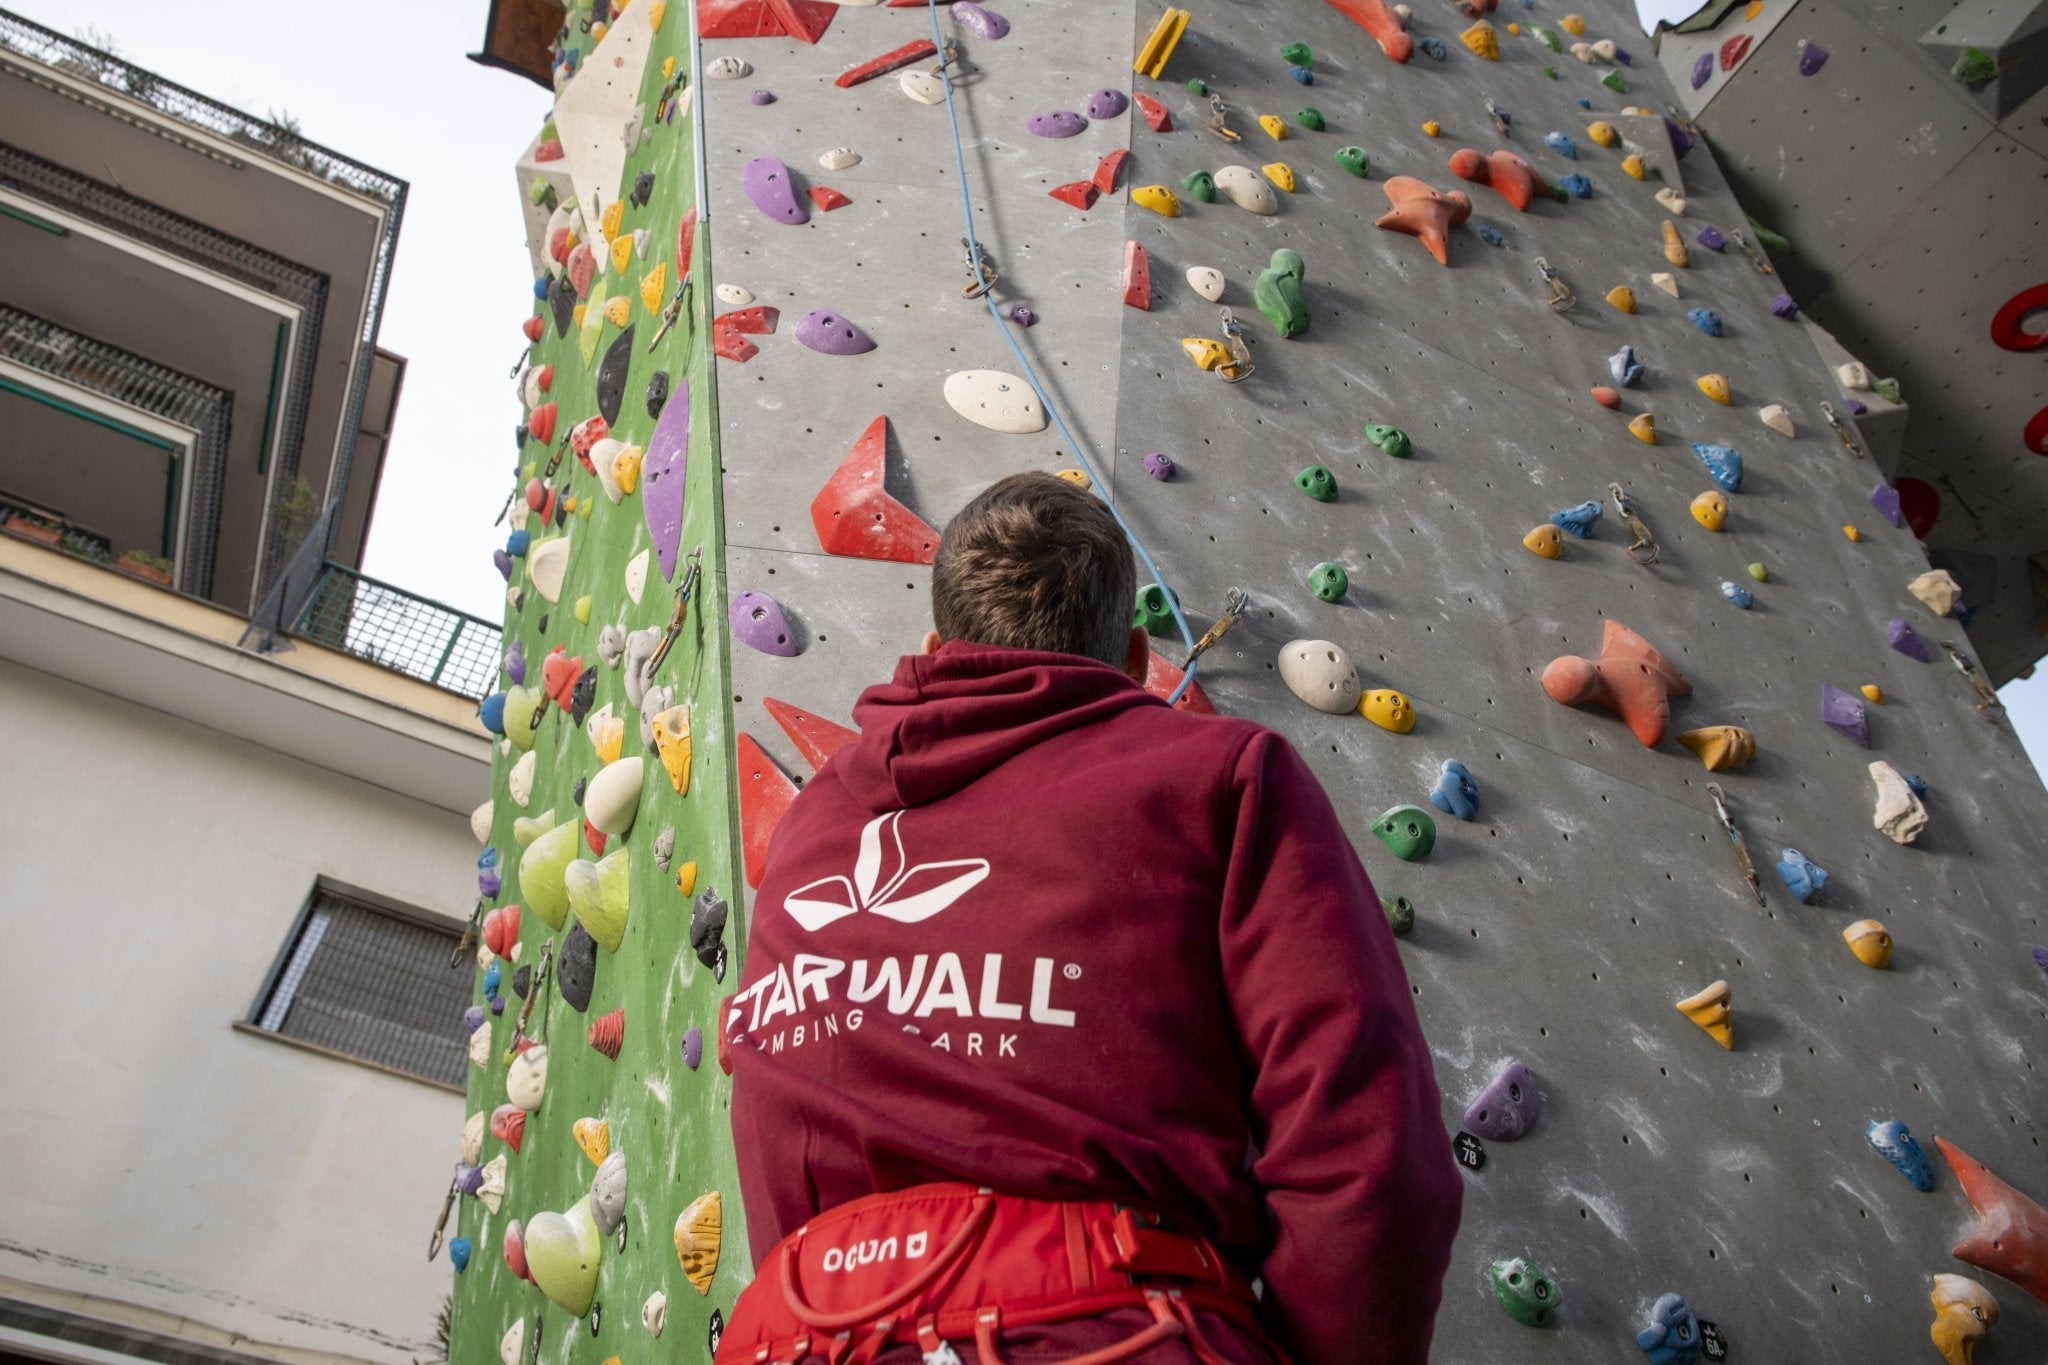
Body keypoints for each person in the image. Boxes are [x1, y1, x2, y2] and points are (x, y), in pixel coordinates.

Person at [720, 472, 1461, 1365]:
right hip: (1112, 1326)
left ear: (932, 646)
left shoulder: (815, 824)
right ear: (1135, 657)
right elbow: (1370, 1158)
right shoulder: (1223, 776)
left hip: (793, 1338)